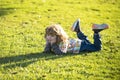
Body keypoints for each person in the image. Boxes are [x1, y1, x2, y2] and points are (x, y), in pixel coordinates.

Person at [43, 19, 109, 55]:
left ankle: (96, 32)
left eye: (52, 36)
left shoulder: (62, 43)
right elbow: (46, 52)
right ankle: (78, 30)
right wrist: (48, 44)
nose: (49, 37)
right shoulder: (53, 41)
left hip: (81, 46)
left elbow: (61, 53)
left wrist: (53, 45)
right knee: (87, 42)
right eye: (48, 35)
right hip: (78, 43)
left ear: (58, 36)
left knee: (97, 48)